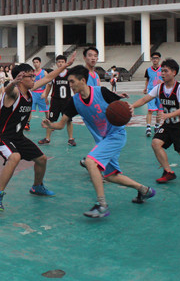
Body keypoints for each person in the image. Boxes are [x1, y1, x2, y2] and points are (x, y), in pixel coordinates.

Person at [43, 65, 156, 218]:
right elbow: (62, 124)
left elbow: (121, 107)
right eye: (69, 82)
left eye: (72, 81)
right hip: (102, 140)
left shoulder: (101, 92)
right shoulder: (74, 102)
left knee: (90, 162)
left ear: (83, 80)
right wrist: (51, 125)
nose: (70, 85)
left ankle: (102, 205)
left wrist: (128, 108)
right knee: (110, 176)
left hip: (116, 135)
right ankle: (144, 190)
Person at [0, 52, 76, 211]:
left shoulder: (29, 91)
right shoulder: (14, 93)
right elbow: (8, 90)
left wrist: (66, 65)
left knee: (42, 159)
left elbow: (48, 78)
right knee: (15, 157)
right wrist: (12, 83)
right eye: (31, 76)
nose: (34, 78)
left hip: (17, 137)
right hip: (1, 136)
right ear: (21, 79)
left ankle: (37, 187)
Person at [131, 58, 180, 185]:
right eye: (162, 71)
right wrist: (132, 106)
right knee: (156, 143)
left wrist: (167, 115)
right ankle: (168, 172)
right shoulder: (159, 88)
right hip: (168, 124)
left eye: (166, 71)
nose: (162, 73)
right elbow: (145, 99)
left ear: (174, 72)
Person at [39, 55, 76, 147]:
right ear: (56, 63)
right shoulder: (54, 74)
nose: (60, 64)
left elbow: (74, 86)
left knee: (69, 120)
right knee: (50, 120)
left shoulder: (69, 74)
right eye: (59, 62)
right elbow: (49, 86)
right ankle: (47, 138)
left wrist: (76, 96)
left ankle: (71, 139)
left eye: (62, 62)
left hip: (67, 101)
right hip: (55, 101)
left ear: (65, 63)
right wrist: (46, 96)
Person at [24, 57, 48, 131]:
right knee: (29, 109)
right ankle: (27, 124)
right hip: (33, 93)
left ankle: (49, 123)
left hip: (42, 93)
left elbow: (48, 83)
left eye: (37, 62)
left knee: (46, 110)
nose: (35, 64)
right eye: (34, 62)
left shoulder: (44, 72)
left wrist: (45, 93)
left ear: (40, 63)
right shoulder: (31, 73)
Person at [143, 52, 163, 137]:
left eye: (157, 58)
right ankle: (148, 127)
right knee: (150, 110)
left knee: (159, 110)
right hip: (151, 91)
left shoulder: (163, 69)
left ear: (159, 59)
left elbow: (166, 79)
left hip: (160, 92)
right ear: (151, 59)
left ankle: (157, 126)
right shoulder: (148, 70)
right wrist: (145, 88)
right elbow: (147, 80)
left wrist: (163, 83)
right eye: (153, 58)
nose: (155, 60)